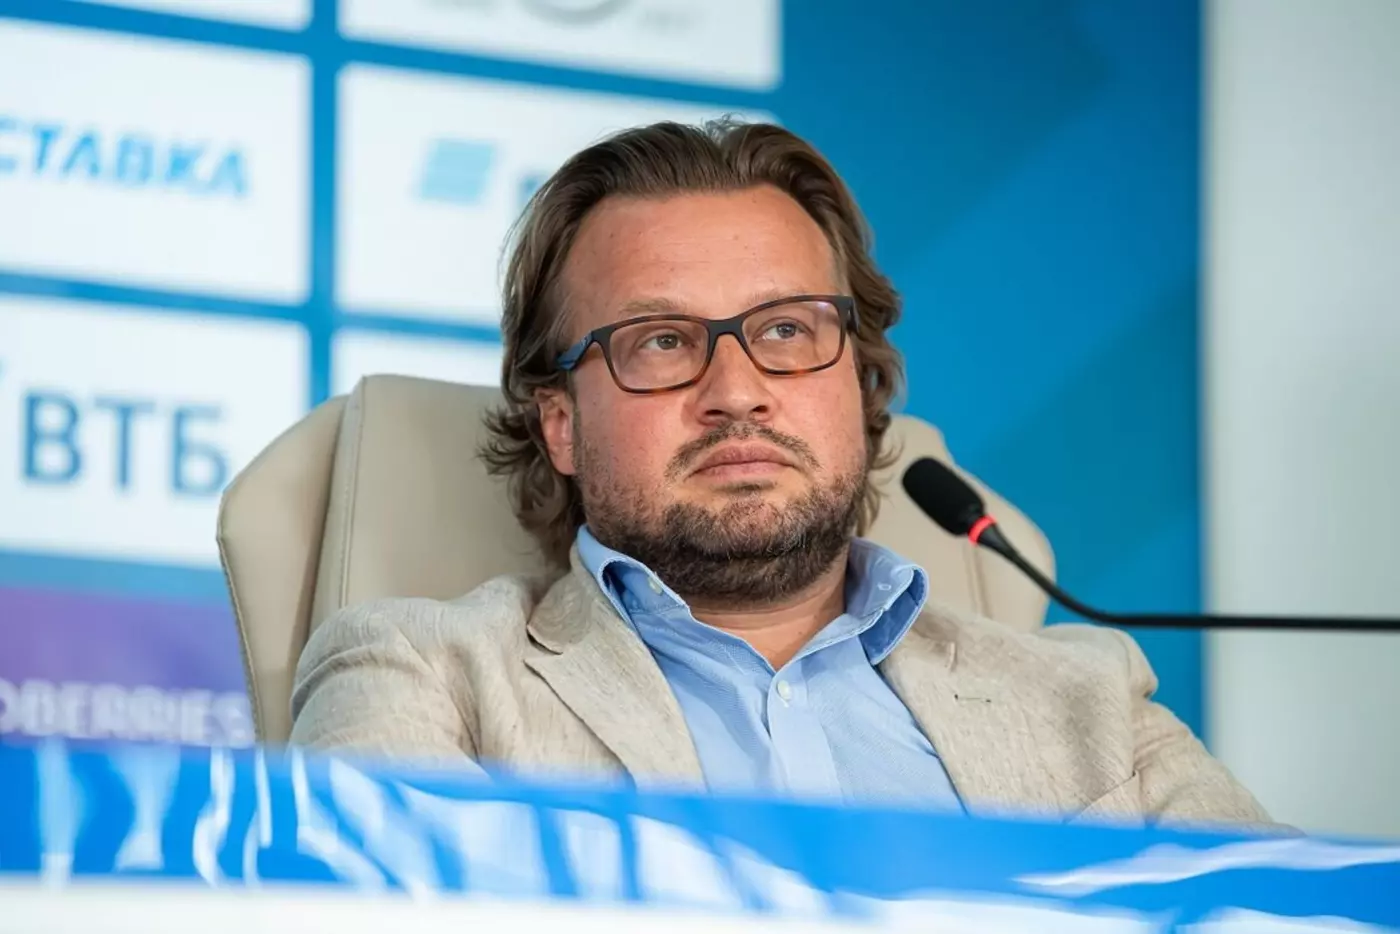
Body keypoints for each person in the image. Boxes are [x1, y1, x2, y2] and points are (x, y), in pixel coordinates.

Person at [290, 119, 1275, 829]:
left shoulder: (1090, 702)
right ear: (560, 425)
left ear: (858, 384)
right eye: (661, 340)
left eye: (787, 330)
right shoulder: (421, 678)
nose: (737, 392)